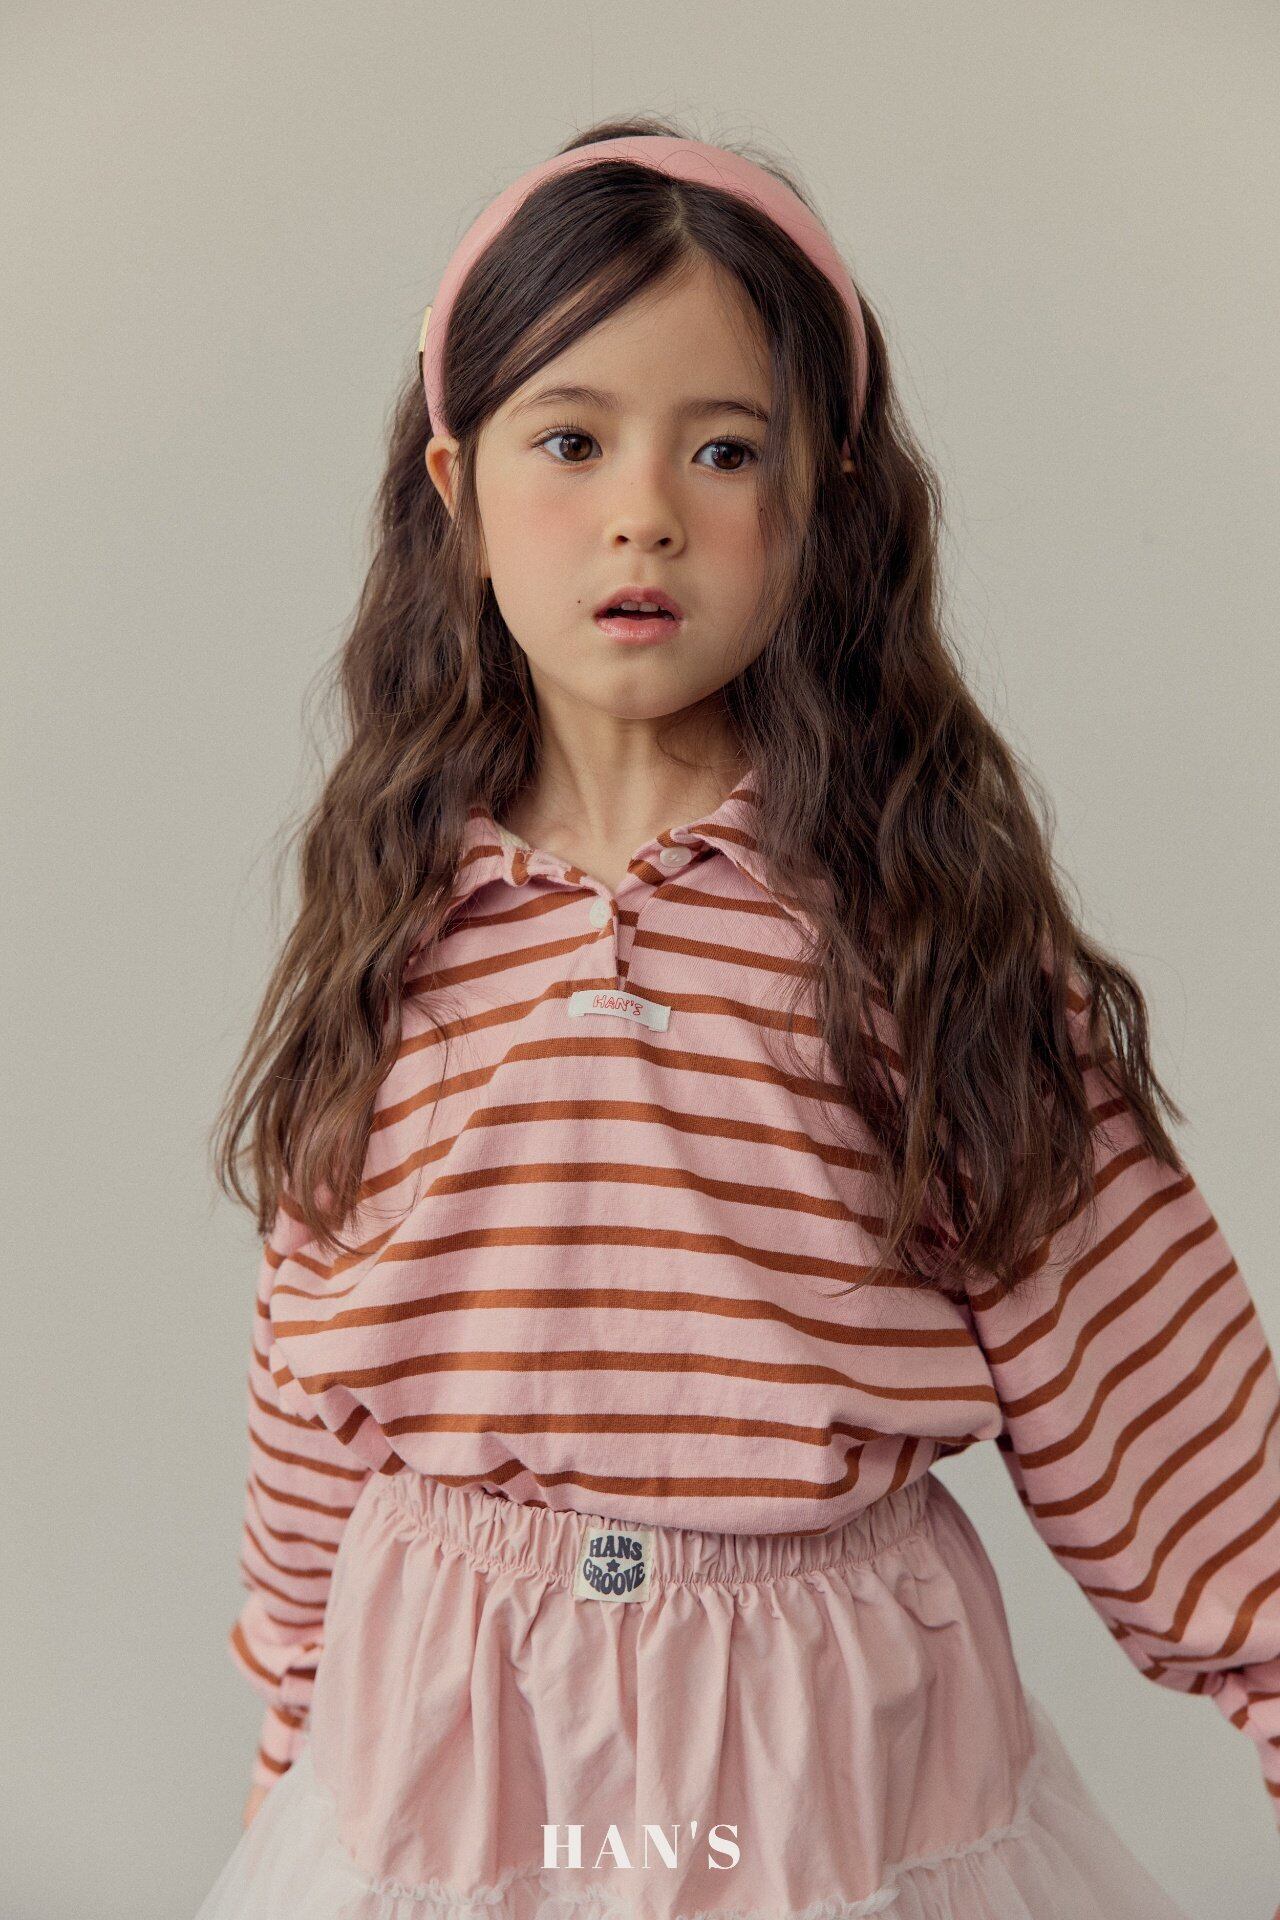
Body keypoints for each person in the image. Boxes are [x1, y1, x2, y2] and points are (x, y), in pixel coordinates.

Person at [191, 118, 1279, 1919]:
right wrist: (293, 1744)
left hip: (822, 1755)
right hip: (447, 1741)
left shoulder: (921, 930)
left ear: (824, 498)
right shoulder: (393, 922)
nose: (645, 512)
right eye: (572, 441)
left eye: (723, 449)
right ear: (456, 488)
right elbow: (316, 1372)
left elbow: (1157, 1395)